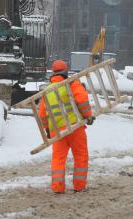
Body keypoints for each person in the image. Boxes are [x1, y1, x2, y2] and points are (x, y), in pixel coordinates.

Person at [38, 60, 95, 194]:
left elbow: (42, 115)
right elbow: (81, 99)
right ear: (66, 71)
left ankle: (57, 187)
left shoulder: (46, 91)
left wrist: (47, 129)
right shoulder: (72, 84)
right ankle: (79, 186)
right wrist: (88, 116)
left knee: (58, 158)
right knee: (80, 156)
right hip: (75, 128)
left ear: (53, 73)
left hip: (57, 132)